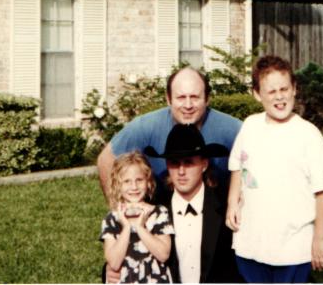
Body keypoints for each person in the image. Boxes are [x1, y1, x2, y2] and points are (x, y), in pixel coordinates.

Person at [225, 55, 323, 283]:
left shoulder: (308, 135)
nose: (279, 96)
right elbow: (237, 165)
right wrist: (232, 202)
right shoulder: (250, 126)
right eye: (271, 91)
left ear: (294, 89)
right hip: (250, 241)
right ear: (257, 94)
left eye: (284, 89)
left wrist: (320, 239)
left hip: (292, 247)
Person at [97, 67, 242, 202]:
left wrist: (236, 204)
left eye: (195, 97)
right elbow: (106, 159)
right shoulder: (146, 127)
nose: (188, 105)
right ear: (168, 99)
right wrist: (118, 208)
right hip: (159, 208)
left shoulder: (232, 129)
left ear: (207, 98)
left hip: (217, 209)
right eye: (181, 97)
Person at [144, 123, 242, 283]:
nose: (181, 171)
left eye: (188, 162)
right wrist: (110, 271)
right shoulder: (154, 209)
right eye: (174, 163)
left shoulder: (225, 206)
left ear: (204, 164)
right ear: (167, 165)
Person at [100, 152, 175, 283]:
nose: (134, 187)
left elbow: (163, 255)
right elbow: (114, 263)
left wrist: (140, 227)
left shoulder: (159, 213)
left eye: (139, 180)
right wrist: (126, 227)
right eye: (127, 181)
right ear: (117, 185)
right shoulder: (112, 219)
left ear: (148, 182)